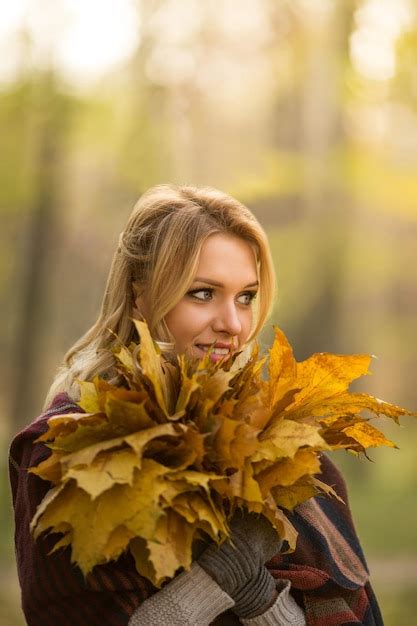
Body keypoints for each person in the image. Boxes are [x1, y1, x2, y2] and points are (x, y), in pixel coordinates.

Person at [9, 184, 384, 625]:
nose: (232, 325)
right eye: (203, 293)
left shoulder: (286, 447)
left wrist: (262, 599)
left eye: (246, 297)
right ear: (138, 296)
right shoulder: (67, 449)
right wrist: (213, 580)